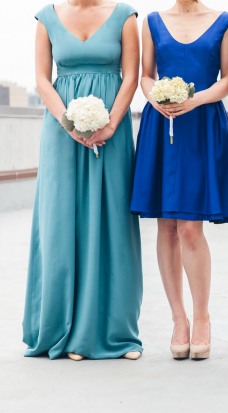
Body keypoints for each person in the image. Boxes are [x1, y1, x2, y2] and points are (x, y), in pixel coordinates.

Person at [24, 1, 143, 360]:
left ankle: (113, 332)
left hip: (113, 130)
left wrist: (110, 124)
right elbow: (43, 80)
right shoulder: (46, 18)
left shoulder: (125, 16)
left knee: (112, 223)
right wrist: (67, 122)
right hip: (61, 133)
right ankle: (64, 330)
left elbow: (131, 76)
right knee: (60, 223)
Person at [130, 0, 228, 360]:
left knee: (190, 229)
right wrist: (157, 98)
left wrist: (193, 100)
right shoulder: (151, 22)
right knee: (166, 226)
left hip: (202, 125)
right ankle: (178, 319)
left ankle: (202, 318)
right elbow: (145, 75)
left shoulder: (225, 22)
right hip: (161, 126)